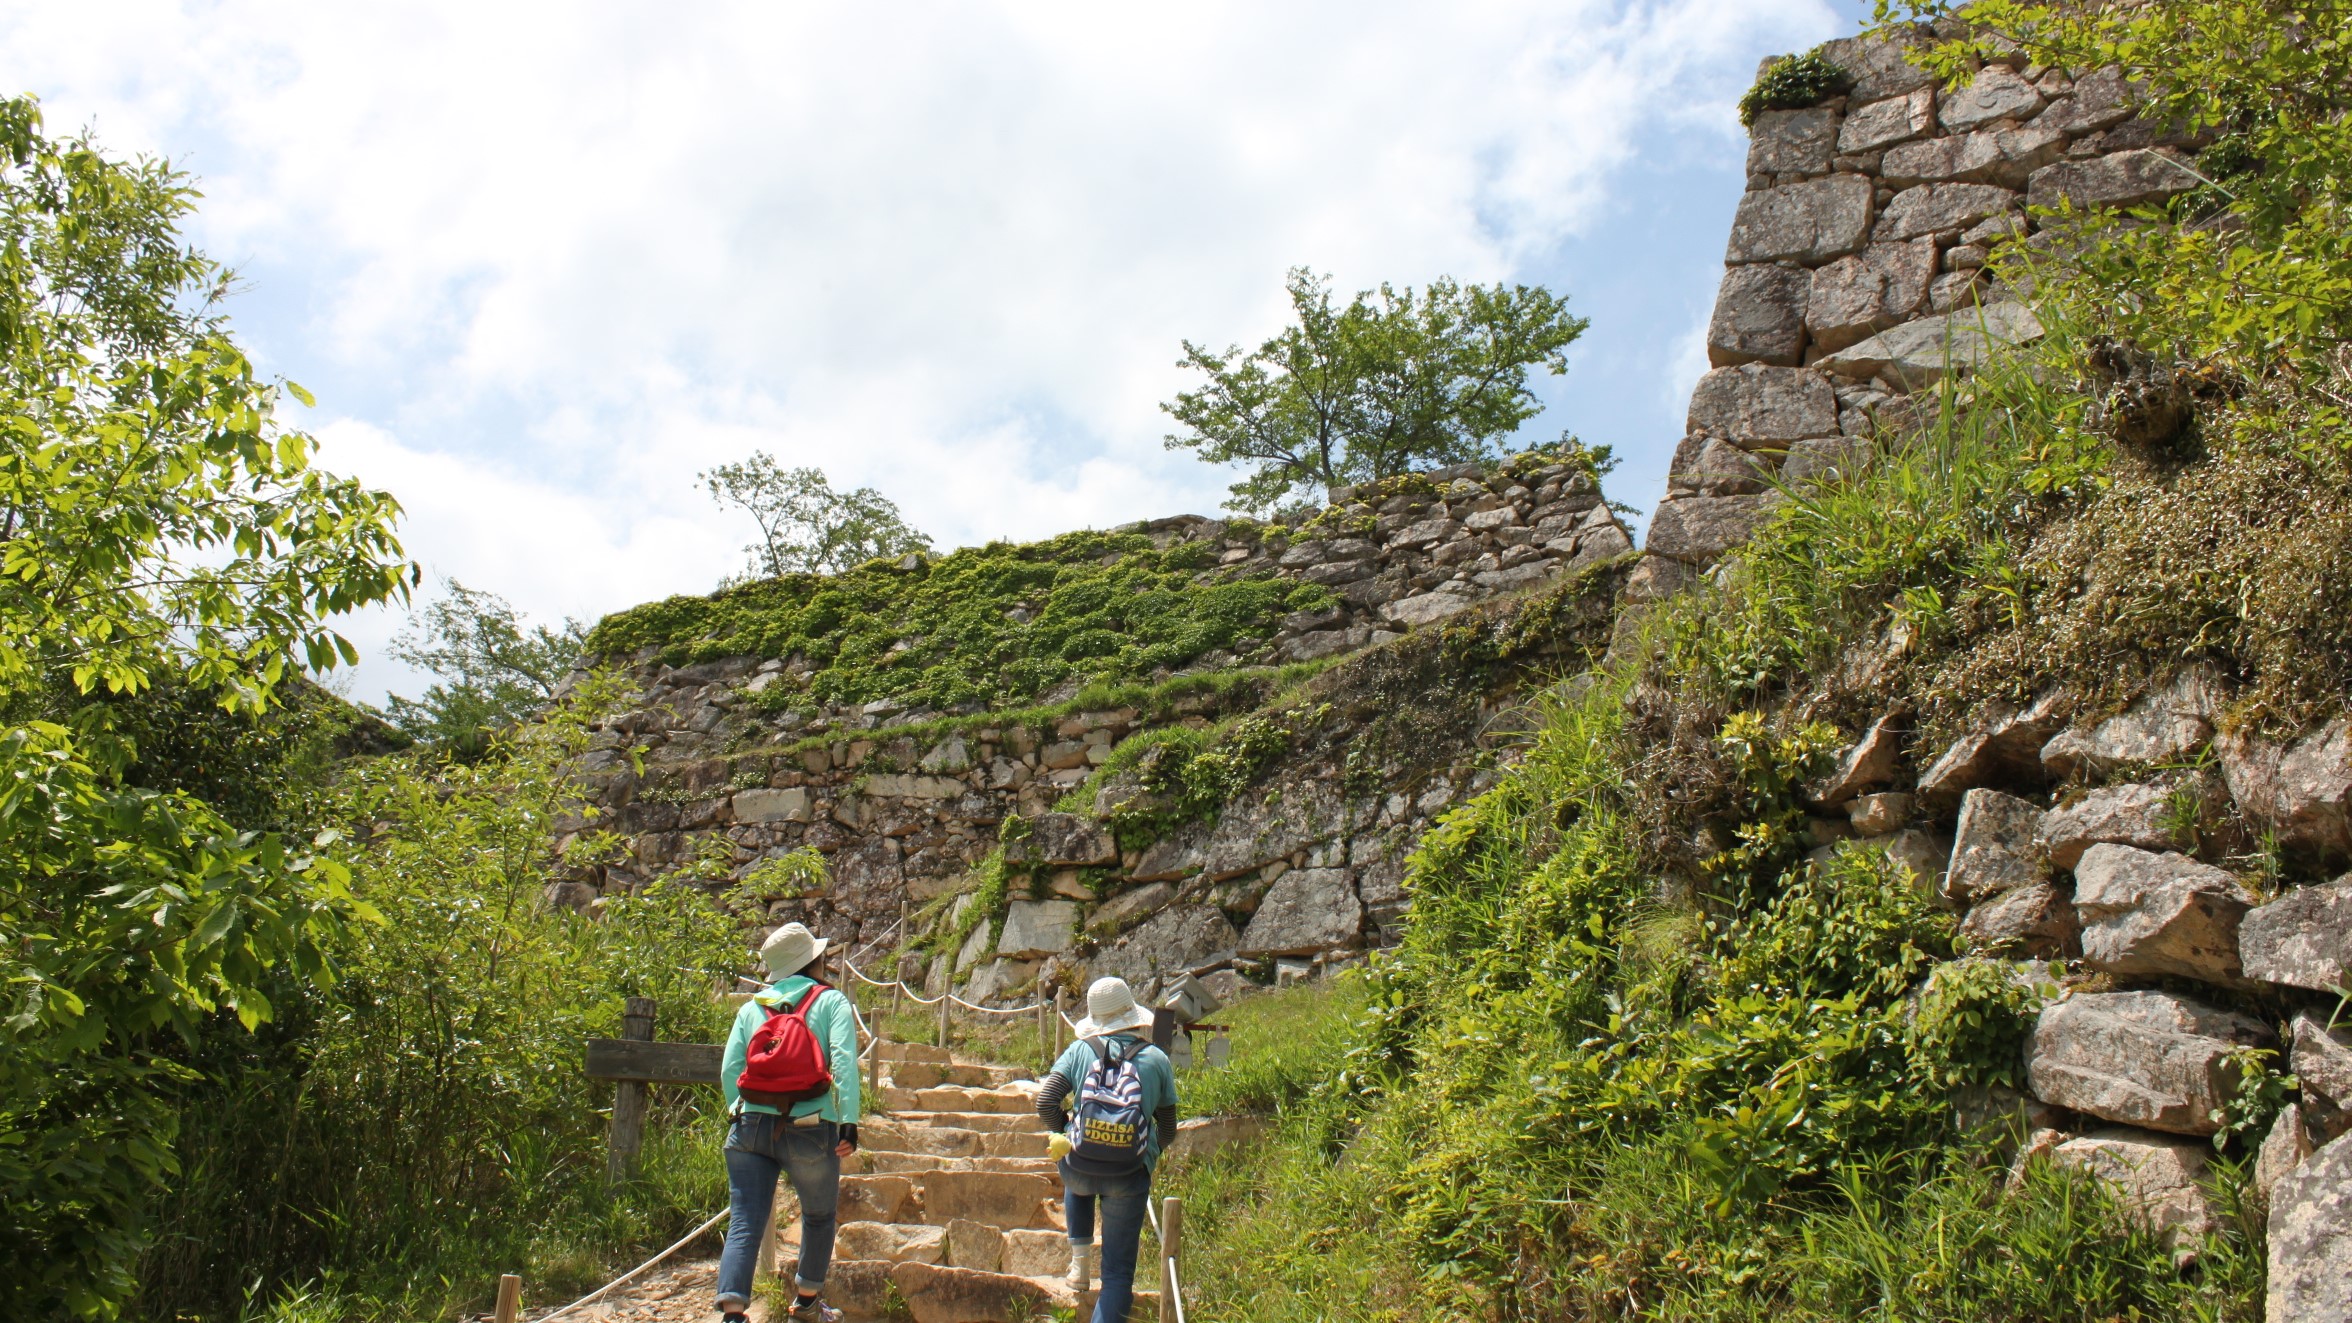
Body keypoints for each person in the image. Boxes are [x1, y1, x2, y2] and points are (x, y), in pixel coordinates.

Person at [715, 923, 862, 1323]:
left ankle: (732, 1312)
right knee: (817, 1216)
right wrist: (849, 1121)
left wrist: (738, 1112)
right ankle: (807, 1302)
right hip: (812, 1125)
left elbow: (731, 1070)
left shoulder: (751, 1008)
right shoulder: (830, 1001)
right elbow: (845, 1061)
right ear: (813, 961)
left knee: (745, 1218)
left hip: (749, 1126)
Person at [1035, 977, 1179, 1323]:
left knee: (1078, 1160)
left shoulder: (1080, 1050)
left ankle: (1080, 1259)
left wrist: (1064, 1132)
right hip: (1129, 1175)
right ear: (1131, 1014)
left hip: (1080, 1169)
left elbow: (1045, 1100)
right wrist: (1147, 1153)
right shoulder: (1156, 1059)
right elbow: (1169, 1127)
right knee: (1116, 1276)